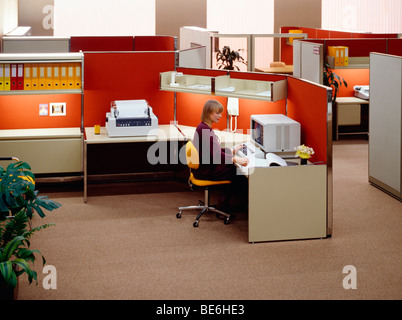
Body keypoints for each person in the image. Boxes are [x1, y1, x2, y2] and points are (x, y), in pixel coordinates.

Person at [192, 99, 248, 213]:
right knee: (237, 173)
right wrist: (235, 159)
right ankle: (224, 205)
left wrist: (231, 151)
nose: (220, 115)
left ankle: (224, 203)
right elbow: (217, 155)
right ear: (208, 113)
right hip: (207, 171)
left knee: (235, 169)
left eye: (220, 113)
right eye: (217, 113)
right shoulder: (206, 131)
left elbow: (214, 151)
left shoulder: (202, 127)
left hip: (203, 167)